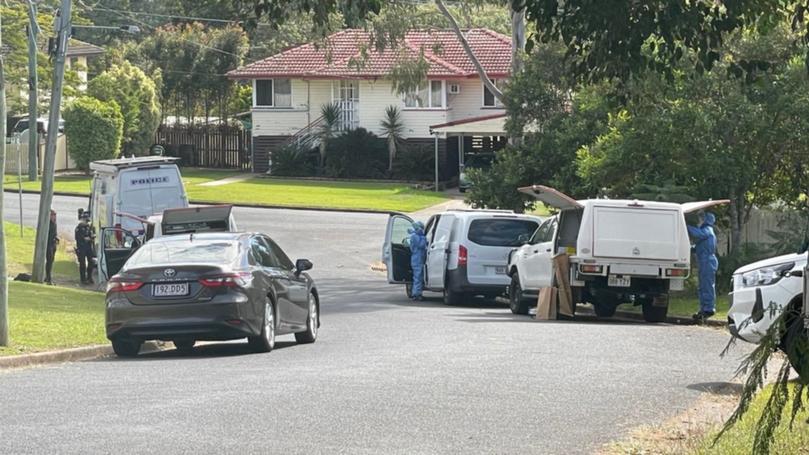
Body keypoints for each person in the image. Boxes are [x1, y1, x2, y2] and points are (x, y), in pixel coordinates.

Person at [688, 212, 719, 321]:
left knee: (707, 285)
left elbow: (698, 234)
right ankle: (704, 309)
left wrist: (686, 226)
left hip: (707, 261)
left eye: (701, 218)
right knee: (703, 286)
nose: (699, 220)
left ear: (705, 220)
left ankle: (709, 309)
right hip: (705, 261)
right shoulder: (707, 232)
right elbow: (698, 246)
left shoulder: (707, 230)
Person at [408, 221, 428, 301]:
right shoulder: (415, 236)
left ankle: (416, 293)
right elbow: (421, 245)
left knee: (417, 277)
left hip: (416, 259)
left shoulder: (415, 235)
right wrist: (424, 237)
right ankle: (416, 294)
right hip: (417, 259)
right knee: (418, 277)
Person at [75, 213, 95, 284]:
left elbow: (92, 237)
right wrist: (85, 239)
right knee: (82, 263)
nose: (87, 222)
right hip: (81, 247)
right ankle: (83, 279)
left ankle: (89, 277)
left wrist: (91, 237)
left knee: (91, 262)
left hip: (88, 247)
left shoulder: (89, 227)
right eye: (86, 221)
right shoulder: (79, 228)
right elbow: (78, 238)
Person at [45, 210, 59, 285]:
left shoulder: (54, 224)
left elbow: (54, 233)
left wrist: (56, 238)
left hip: (53, 244)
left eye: (55, 215)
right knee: (49, 261)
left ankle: (48, 277)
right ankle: (48, 278)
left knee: (51, 261)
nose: (54, 217)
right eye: (53, 215)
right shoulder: (47, 224)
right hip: (48, 244)